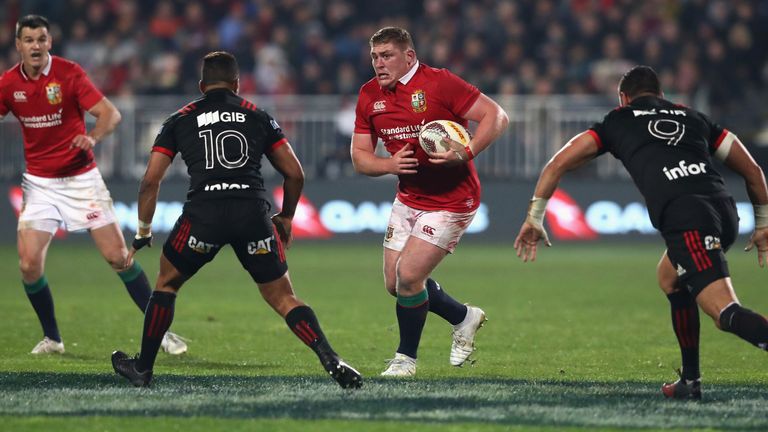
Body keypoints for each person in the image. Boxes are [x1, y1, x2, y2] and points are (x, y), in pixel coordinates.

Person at [111, 51, 362, 389]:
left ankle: (143, 367)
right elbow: (295, 174)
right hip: (252, 213)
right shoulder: (257, 115)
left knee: (166, 283)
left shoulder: (180, 119)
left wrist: (143, 231)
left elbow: (150, 181)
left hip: (204, 214)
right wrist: (286, 216)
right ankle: (331, 357)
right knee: (283, 297)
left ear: (202, 86)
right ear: (237, 84)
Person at [514, 65, 768, 400]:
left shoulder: (617, 121)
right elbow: (752, 170)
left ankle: (693, 381)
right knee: (670, 278)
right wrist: (763, 223)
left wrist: (534, 217)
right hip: (724, 211)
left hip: (686, 218)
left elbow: (557, 163)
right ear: (662, 95)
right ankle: (690, 383)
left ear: (623, 97)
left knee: (725, 313)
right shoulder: (694, 117)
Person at [0, 15, 187, 356]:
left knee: (118, 257)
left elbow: (110, 114)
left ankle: (162, 332)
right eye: (29, 40)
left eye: (42, 39)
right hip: (39, 184)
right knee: (28, 265)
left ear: (49, 42)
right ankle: (53, 339)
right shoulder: (8, 84)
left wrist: (93, 137)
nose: (36, 46)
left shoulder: (69, 73)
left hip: (81, 181)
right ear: (18, 45)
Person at [350, 27, 509, 377]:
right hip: (408, 198)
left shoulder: (439, 83)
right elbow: (360, 157)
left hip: (452, 200)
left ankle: (405, 360)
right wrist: (388, 165)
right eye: (375, 56)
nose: (379, 63)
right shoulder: (368, 96)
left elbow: (496, 117)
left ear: (409, 56)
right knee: (396, 284)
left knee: (409, 276)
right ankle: (464, 317)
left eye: (387, 55)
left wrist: (466, 152)